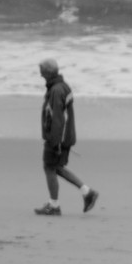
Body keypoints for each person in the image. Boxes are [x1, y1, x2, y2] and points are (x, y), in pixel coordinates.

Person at [36, 59, 98, 215]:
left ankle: (54, 205)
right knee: (56, 167)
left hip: (58, 138)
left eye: (41, 71)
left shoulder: (56, 90)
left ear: (48, 73)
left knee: (49, 167)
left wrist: (55, 142)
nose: (40, 74)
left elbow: (58, 118)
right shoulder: (63, 86)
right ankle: (87, 192)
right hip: (65, 136)